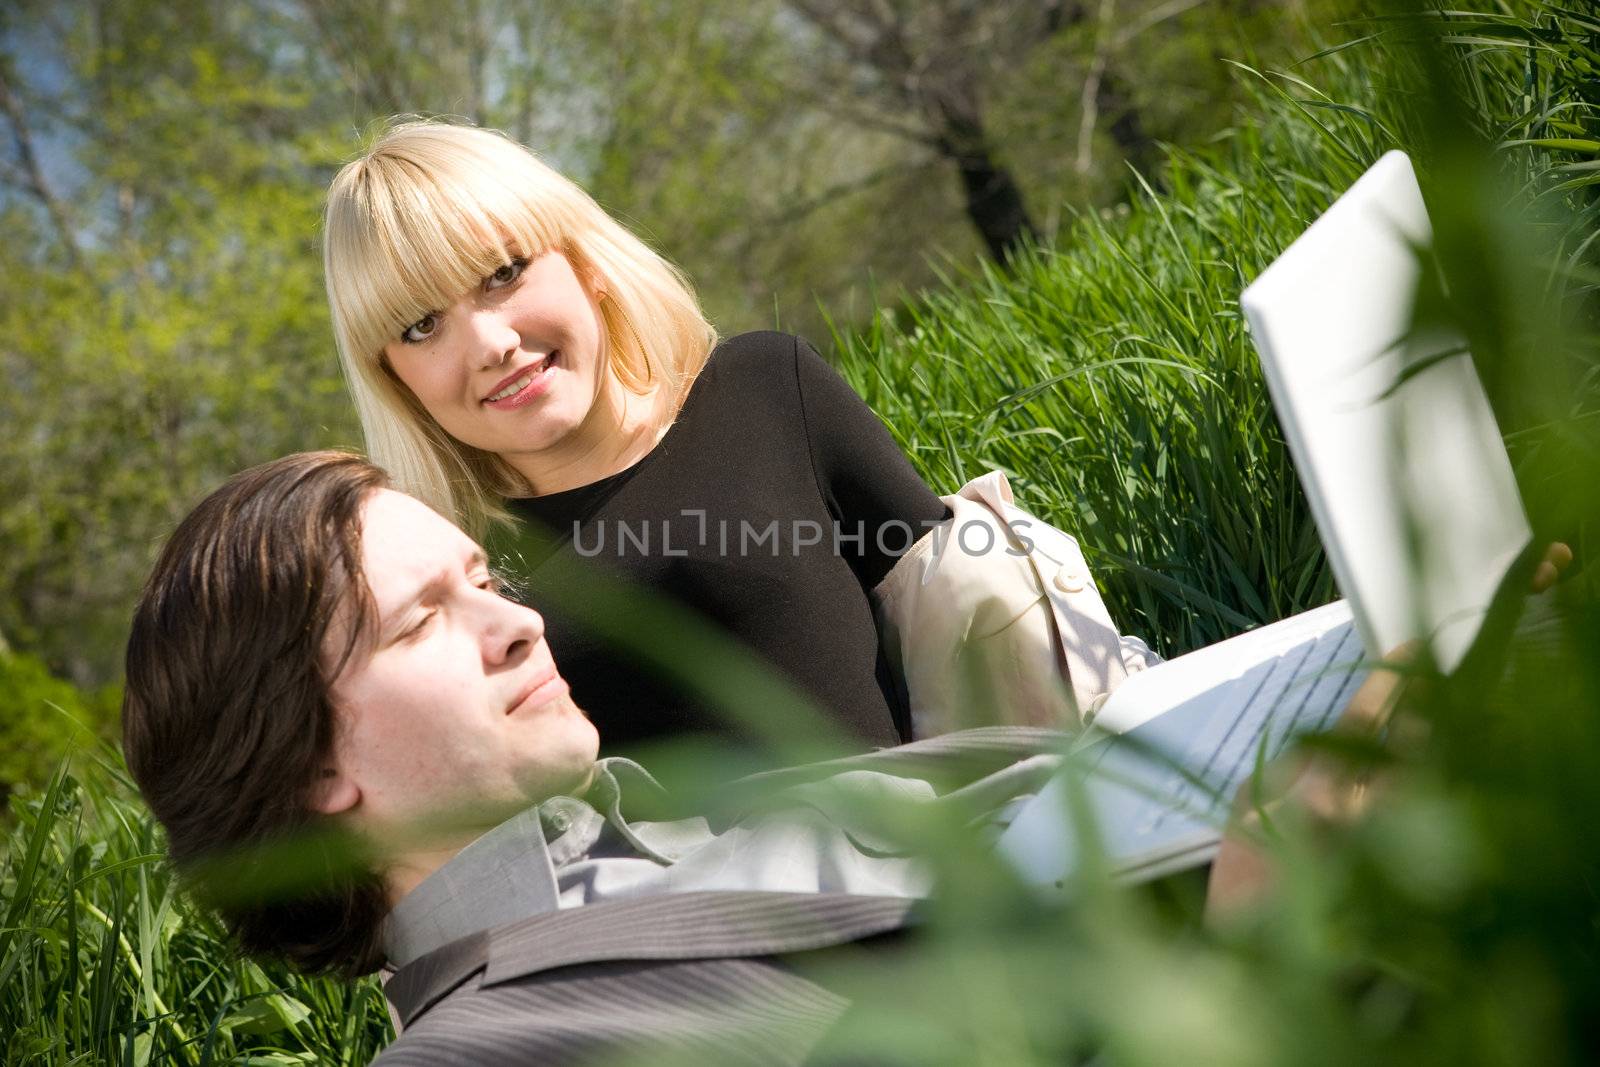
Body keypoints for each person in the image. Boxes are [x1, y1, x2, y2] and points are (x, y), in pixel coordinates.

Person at [121, 451, 1450, 1065]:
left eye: (485, 574)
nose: (515, 619)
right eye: (426, 615)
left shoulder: (688, 825)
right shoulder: (484, 1049)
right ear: (309, 772)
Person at [320, 120, 1150, 762]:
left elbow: (983, 622)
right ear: (394, 375)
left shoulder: (766, 393)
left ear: (585, 263)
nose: (490, 343)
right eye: (422, 324)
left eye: (503, 273)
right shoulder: (461, 577)